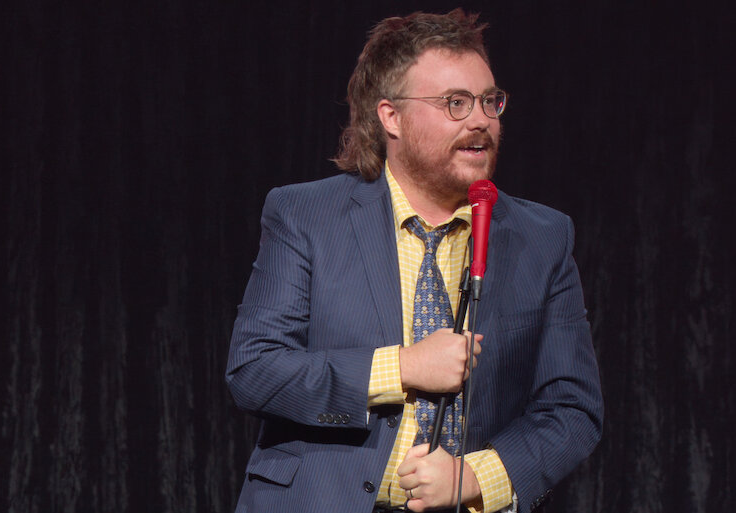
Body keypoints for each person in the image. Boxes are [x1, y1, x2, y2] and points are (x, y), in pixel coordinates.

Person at [226, 9, 603, 513]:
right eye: (455, 103)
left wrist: (475, 477)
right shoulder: (305, 215)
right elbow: (255, 370)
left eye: (489, 101)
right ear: (391, 117)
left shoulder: (542, 237)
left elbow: (572, 409)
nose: (481, 120)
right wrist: (402, 367)